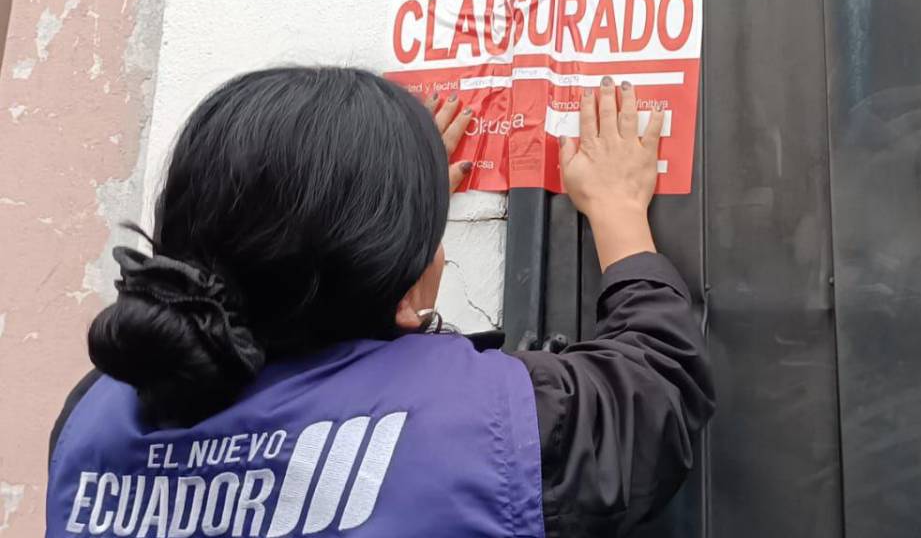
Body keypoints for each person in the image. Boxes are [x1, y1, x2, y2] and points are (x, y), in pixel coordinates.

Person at [45, 67, 714, 538]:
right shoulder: (486, 428)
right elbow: (655, 390)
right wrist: (620, 212)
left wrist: (387, 224)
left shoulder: (97, 410)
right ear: (403, 297)